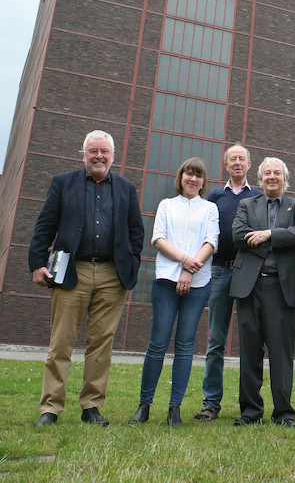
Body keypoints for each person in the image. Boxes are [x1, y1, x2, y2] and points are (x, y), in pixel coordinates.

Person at [28, 130, 144, 427]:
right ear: (83, 154)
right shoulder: (63, 183)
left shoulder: (126, 188)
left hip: (111, 274)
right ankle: (50, 408)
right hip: (70, 271)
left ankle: (91, 406)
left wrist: (130, 263)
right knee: (61, 342)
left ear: (113, 156)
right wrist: (37, 263)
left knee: (101, 345)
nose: (99, 156)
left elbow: (136, 233)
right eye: (93, 151)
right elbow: (45, 225)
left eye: (104, 151)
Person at [130, 158, 218, 426]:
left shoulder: (210, 208)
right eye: (188, 175)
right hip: (166, 280)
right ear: (180, 178)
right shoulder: (166, 205)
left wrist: (191, 271)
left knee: (184, 345)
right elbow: (158, 239)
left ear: (203, 181)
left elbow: (211, 242)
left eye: (198, 176)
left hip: (199, 283)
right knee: (157, 343)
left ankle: (174, 408)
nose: (192, 179)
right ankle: (144, 405)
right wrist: (183, 261)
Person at [230, 157, 295, 426]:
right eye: (267, 173)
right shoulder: (246, 205)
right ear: (260, 178)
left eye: (277, 172)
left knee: (281, 353)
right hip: (250, 287)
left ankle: (284, 413)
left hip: (281, 288)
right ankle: (250, 412)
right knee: (250, 352)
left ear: (285, 178)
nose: (272, 177)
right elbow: (238, 235)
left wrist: (268, 235)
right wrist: (278, 237)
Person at [194, 144, 260, 422]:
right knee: (216, 341)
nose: (237, 163)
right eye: (232, 159)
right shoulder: (214, 196)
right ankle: (211, 402)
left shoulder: (258, 196)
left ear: (248, 164)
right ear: (225, 165)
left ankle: (249, 405)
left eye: (241, 159)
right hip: (219, 273)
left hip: (248, 273)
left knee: (251, 341)